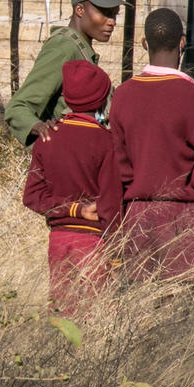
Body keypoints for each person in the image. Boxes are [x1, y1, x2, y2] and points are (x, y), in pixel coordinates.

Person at [110, 8, 194, 283]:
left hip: (137, 214)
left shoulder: (123, 95)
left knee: (141, 305)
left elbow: (120, 166)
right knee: (182, 309)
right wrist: (193, 192)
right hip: (183, 216)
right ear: (182, 42)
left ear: (144, 43)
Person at [23, 60, 122, 316]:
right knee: (95, 315)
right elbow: (111, 206)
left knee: (62, 315)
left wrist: (73, 209)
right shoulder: (107, 141)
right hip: (95, 242)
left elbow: (32, 197)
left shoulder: (47, 137)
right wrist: (116, 256)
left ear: (66, 96)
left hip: (58, 240)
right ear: (102, 101)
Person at [4, 0, 128, 146]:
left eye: (115, 14)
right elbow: (17, 108)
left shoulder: (80, 48)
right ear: (80, 10)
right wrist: (39, 128)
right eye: (105, 13)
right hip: (68, 160)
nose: (112, 22)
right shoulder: (63, 48)